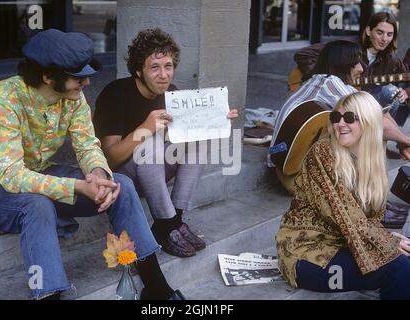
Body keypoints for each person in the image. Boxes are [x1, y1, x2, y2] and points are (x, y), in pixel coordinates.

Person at [0, 29, 185, 300]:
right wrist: (79, 186)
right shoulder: (4, 98)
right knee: (37, 205)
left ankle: (156, 287)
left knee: (121, 184)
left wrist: (98, 174)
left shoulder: (74, 97)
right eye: (78, 77)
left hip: (39, 172)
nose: (87, 84)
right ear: (47, 76)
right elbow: (12, 175)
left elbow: (87, 145)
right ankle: (50, 295)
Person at [93, 28, 238, 258]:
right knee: (149, 143)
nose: (163, 75)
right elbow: (109, 158)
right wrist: (145, 128)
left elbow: (186, 134)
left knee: (197, 137)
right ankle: (164, 222)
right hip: (123, 176)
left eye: (168, 66)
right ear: (139, 71)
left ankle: (175, 221)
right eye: (154, 67)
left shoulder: (171, 94)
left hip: (155, 170)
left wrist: (215, 118)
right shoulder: (115, 94)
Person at [276, 91, 410, 300]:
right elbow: (347, 215)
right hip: (307, 255)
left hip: (344, 244)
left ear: (369, 122)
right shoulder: (324, 153)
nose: (340, 124)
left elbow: (369, 220)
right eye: (335, 117)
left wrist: (387, 239)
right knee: (399, 268)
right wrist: (388, 243)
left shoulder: (371, 159)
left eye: (349, 118)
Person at [270, 40, 410, 193]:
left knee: (364, 119)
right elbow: (379, 123)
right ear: (343, 64)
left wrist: (402, 143)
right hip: (294, 174)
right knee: (365, 127)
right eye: (356, 63)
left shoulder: (322, 80)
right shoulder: (330, 84)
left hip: (284, 164)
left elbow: (380, 111)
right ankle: (369, 192)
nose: (361, 68)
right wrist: (406, 141)